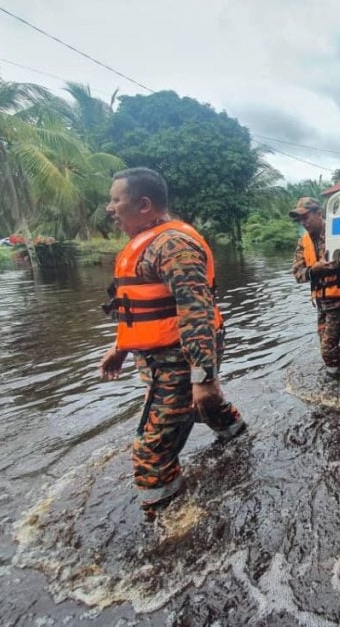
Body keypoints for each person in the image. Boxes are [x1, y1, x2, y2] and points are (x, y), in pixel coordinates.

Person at [99, 167, 245, 519]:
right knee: (198, 407)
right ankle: (238, 437)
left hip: (181, 357)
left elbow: (195, 312)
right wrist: (120, 348)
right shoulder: (147, 243)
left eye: (116, 200)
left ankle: (169, 526)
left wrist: (203, 378)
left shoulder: (174, 245)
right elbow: (142, 306)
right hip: (157, 357)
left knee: (151, 452)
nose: (109, 208)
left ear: (144, 204)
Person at [290, 197, 340, 379]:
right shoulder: (303, 241)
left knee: (326, 348)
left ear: (319, 214)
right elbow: (297, 273)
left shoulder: (338, 232)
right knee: (325, 343)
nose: (303, 222)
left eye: (306, 217)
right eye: (300, 219)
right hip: (321, 299)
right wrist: (314, 270)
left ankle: (334, 382)